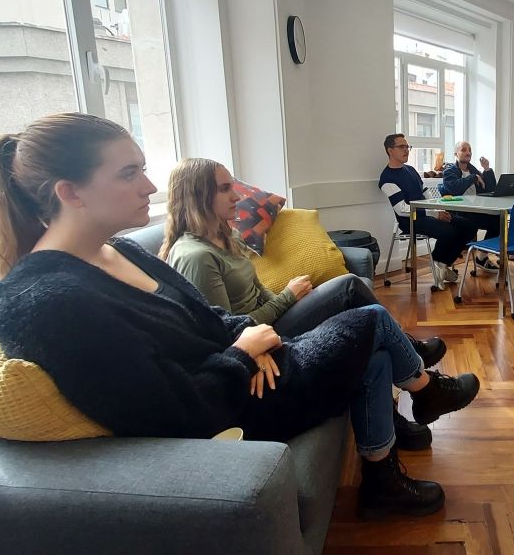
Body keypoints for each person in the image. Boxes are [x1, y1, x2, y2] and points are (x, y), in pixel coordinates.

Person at [0, 112, 481, 519]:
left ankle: (382, 482)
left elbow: (208, 317)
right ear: (70, 192)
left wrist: (253, 333)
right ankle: (424, 389)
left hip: (244, 373)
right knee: (367, 323)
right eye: (129, 173)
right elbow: (169, 412)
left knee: (368, 355)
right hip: (229, 410)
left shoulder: (123, 251)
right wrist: (242, 355)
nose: (149, 186)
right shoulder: (43, 299)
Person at [160, 157, 445, 451]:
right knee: (350, 287)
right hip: (263, 336)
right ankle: (415, 361)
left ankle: (396, 417)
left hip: (269, 321)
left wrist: (289, 300)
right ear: (196, 196)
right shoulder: (195, 257)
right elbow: (228, 334)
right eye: (224, 189)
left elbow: (257, 290)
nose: (235, 196)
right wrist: (288, 297)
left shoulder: (225, 235)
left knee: (374, 343)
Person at [378, 133, 475, 289]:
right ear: (390, 150)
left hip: (427, 214)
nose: (406, 150)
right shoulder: (387, 178)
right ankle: (439, 267)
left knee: (469, 226)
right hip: (410, 220)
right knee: (450, 232)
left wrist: (438, 208)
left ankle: (441, 265)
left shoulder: (410, 170)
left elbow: (426, 193)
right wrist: (434, 213)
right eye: (401, 147)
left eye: (407, 146)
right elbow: (402, 209)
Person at [439, 141, 500, 273]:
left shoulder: (474, 170)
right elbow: (454, 188)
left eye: (469, 150)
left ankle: (482, 257)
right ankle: (446, 261)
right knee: (477, 224)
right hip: (459, 212)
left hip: (475, 211)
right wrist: (473, 177)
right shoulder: (449, 171)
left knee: (498, 220)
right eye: (464, 150)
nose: (468, 152)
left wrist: (487, 170)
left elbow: (490, 189)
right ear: (456, 154)